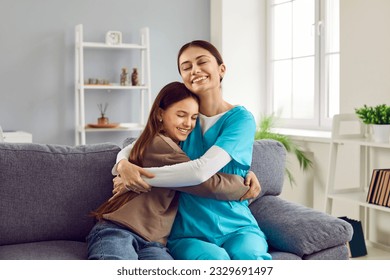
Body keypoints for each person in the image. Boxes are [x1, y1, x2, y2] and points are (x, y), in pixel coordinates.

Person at [113, 40, 272, 260]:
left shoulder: (240, 120)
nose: (194, 70)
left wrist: (140, 176)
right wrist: (123, 165)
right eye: (186, 67)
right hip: (189, 231)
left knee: (251, 257)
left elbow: (200, 171)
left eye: (201, 62)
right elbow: (133, 147)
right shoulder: (182, 122)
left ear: (221, 69)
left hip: (238, 225)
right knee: (213, 262)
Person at [86, 81, 256, 260]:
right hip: (119, 229)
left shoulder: (175, 144)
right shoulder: (160, 144)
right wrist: (244, 185)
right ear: (160, 114)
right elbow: (206, 183)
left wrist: (122, 163)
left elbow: (130, 148)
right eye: (181, 115)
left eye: (193, 117)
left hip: (154, 241)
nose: (188, 124)